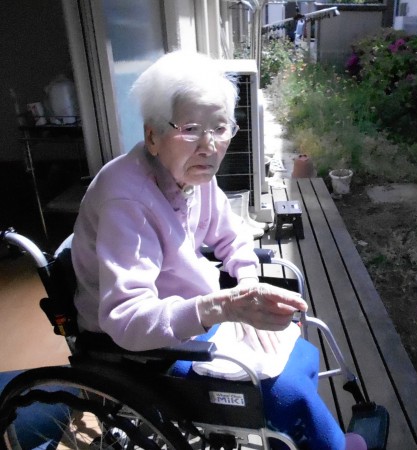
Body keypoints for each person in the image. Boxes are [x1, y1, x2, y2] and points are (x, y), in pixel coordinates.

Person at [71, 50, 366, 450]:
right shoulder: (127, 200)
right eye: (191, 129)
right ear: (152, 136)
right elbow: (126, 319)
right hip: (141, 345)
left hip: (193, 310)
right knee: (282, 390)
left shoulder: (194, 174)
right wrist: (224, 307)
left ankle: (302, 438)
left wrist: (247, 283)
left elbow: (232, 235)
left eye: (220, 128)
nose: (209, 146)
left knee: (294, 347)